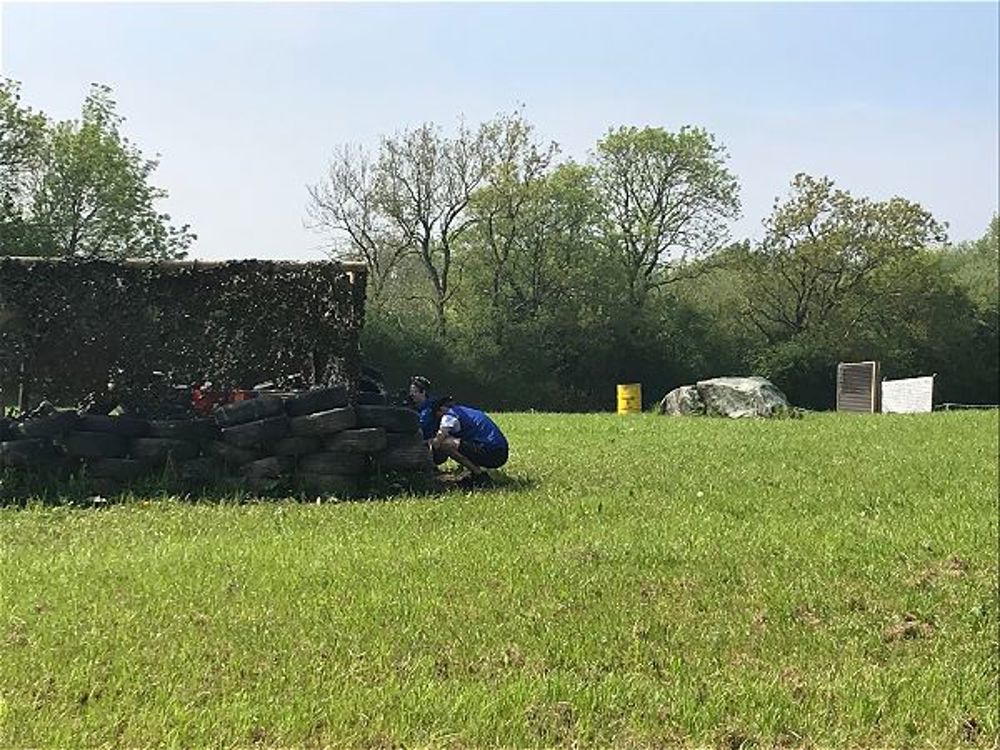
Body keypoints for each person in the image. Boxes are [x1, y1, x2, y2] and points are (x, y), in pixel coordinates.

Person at [429, 396, 508, 488]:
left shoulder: (449, 416)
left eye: (437, 415)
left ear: (441, 409)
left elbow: (439, 440)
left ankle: (479, 475)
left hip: (492, 452)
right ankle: (472, 473)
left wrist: (429, 447)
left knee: (446, 443)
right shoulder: (464, 411)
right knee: (457, 442)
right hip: (500, 452)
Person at [407, 375, 437, 440]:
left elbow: (419, 425)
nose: (411, 395)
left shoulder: (429, 408)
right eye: (410, 392)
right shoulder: (414, 406)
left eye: (415, 392)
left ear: (423, 392)